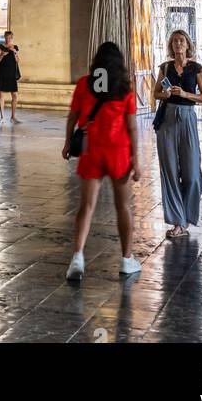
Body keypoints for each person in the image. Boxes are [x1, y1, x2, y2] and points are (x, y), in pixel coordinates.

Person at [62, 41, 141, 281]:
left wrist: (67, 143)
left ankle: (77, 256)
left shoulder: (85, 84)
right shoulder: (124, 87)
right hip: (118, 152)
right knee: (123, 207)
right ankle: (127, 259)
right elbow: (132, 127)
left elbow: (72, 118)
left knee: (86, 206)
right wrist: (136, 158)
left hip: (91, 150)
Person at [153, 30, 202, 239]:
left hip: (187, 118)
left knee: (192, 173)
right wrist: (164, 94)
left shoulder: (196, 68)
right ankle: (178, 222)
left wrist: (185, 94)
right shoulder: (165, 67)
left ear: (187, 45)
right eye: (174, 41)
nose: (178, 44)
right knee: (169, 171)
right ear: (171, 45)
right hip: (167, 119)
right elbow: (155, 93)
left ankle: (187, 214)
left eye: (181, 41)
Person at [0, 31, 20, 123]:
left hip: (12, 74)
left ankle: (13, 117)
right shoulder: (0, 47)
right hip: (2, 73)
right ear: (4, 37)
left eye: (9, 38)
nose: (8, 39)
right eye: (6, 37)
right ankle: (2, 117)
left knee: (15, 95)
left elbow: (17, 61)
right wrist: (2, 54)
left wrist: (15, 53)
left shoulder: (15, 47)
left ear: (12, 38)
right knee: (1, 95)